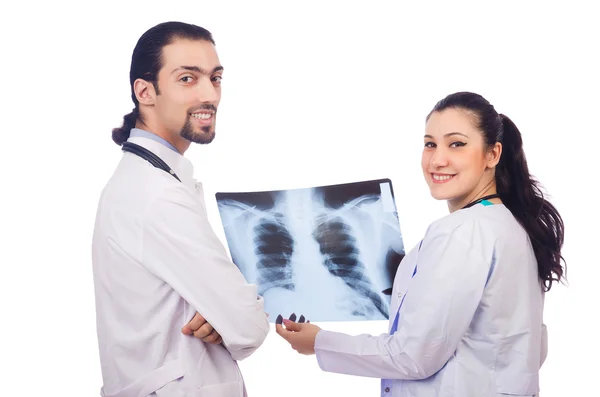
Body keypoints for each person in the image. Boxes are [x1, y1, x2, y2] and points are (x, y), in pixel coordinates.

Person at [276, 91, 566, 396]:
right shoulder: (510, 226)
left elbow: (413, 356)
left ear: (492, 154)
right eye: (430, 144)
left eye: (457, 144)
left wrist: (319, 342)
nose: (437, 160)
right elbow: (527, 348)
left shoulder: (462, 231)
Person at [91, 21, 269, 397]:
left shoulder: (145, 181)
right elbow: (250, 327)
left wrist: (225, 315)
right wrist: (231, 316)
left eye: (215, 78)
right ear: (145, 91)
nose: (210, 95)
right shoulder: (156, 195)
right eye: (187, 79)